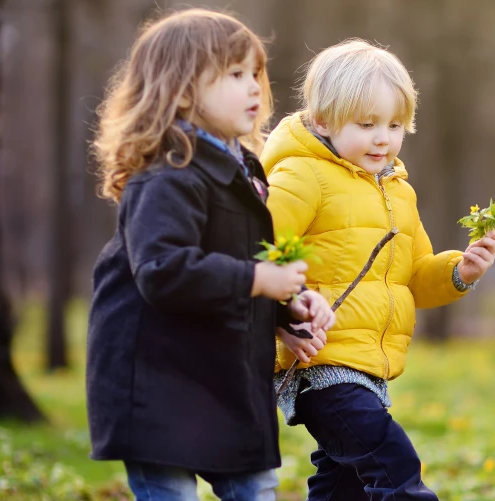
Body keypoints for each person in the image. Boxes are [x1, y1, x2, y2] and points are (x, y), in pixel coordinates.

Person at [84, 9, 333, 501]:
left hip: (226, 373)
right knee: (169, 489)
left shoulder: (244, 170)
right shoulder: (165, 175)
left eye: (255, 73)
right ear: (179, 90)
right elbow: (163, 271)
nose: (255, 87)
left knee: (254, 487)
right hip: (157, 380)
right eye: (234, 75)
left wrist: (287, 304)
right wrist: (258, 282)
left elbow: (243, 259)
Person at [263, 39, 495, 500]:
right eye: (366, 124)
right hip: (322, 366)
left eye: (394, 125)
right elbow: (258, 247)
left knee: (343, 485)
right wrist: (286, 313)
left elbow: (412, 276)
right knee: (394, 466)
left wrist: (460, 272)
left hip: (368, 372)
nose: (382, 138)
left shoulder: (397, 192)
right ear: (323, 120)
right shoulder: (302, 176)